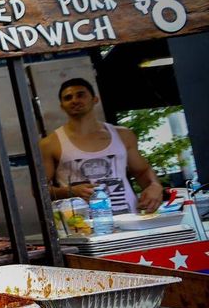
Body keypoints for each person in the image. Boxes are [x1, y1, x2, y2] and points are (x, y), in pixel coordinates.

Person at [40, 77, 162, 214]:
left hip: (129, 218)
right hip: (82, 225)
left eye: (81, 95)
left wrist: (154, 186)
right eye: (68, 98)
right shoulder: (50, 143)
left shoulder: (123, 135)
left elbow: (142, 171)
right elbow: (40, 189)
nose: (74, 100)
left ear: (95, 99)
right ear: (62, 106)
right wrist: (69, 191)